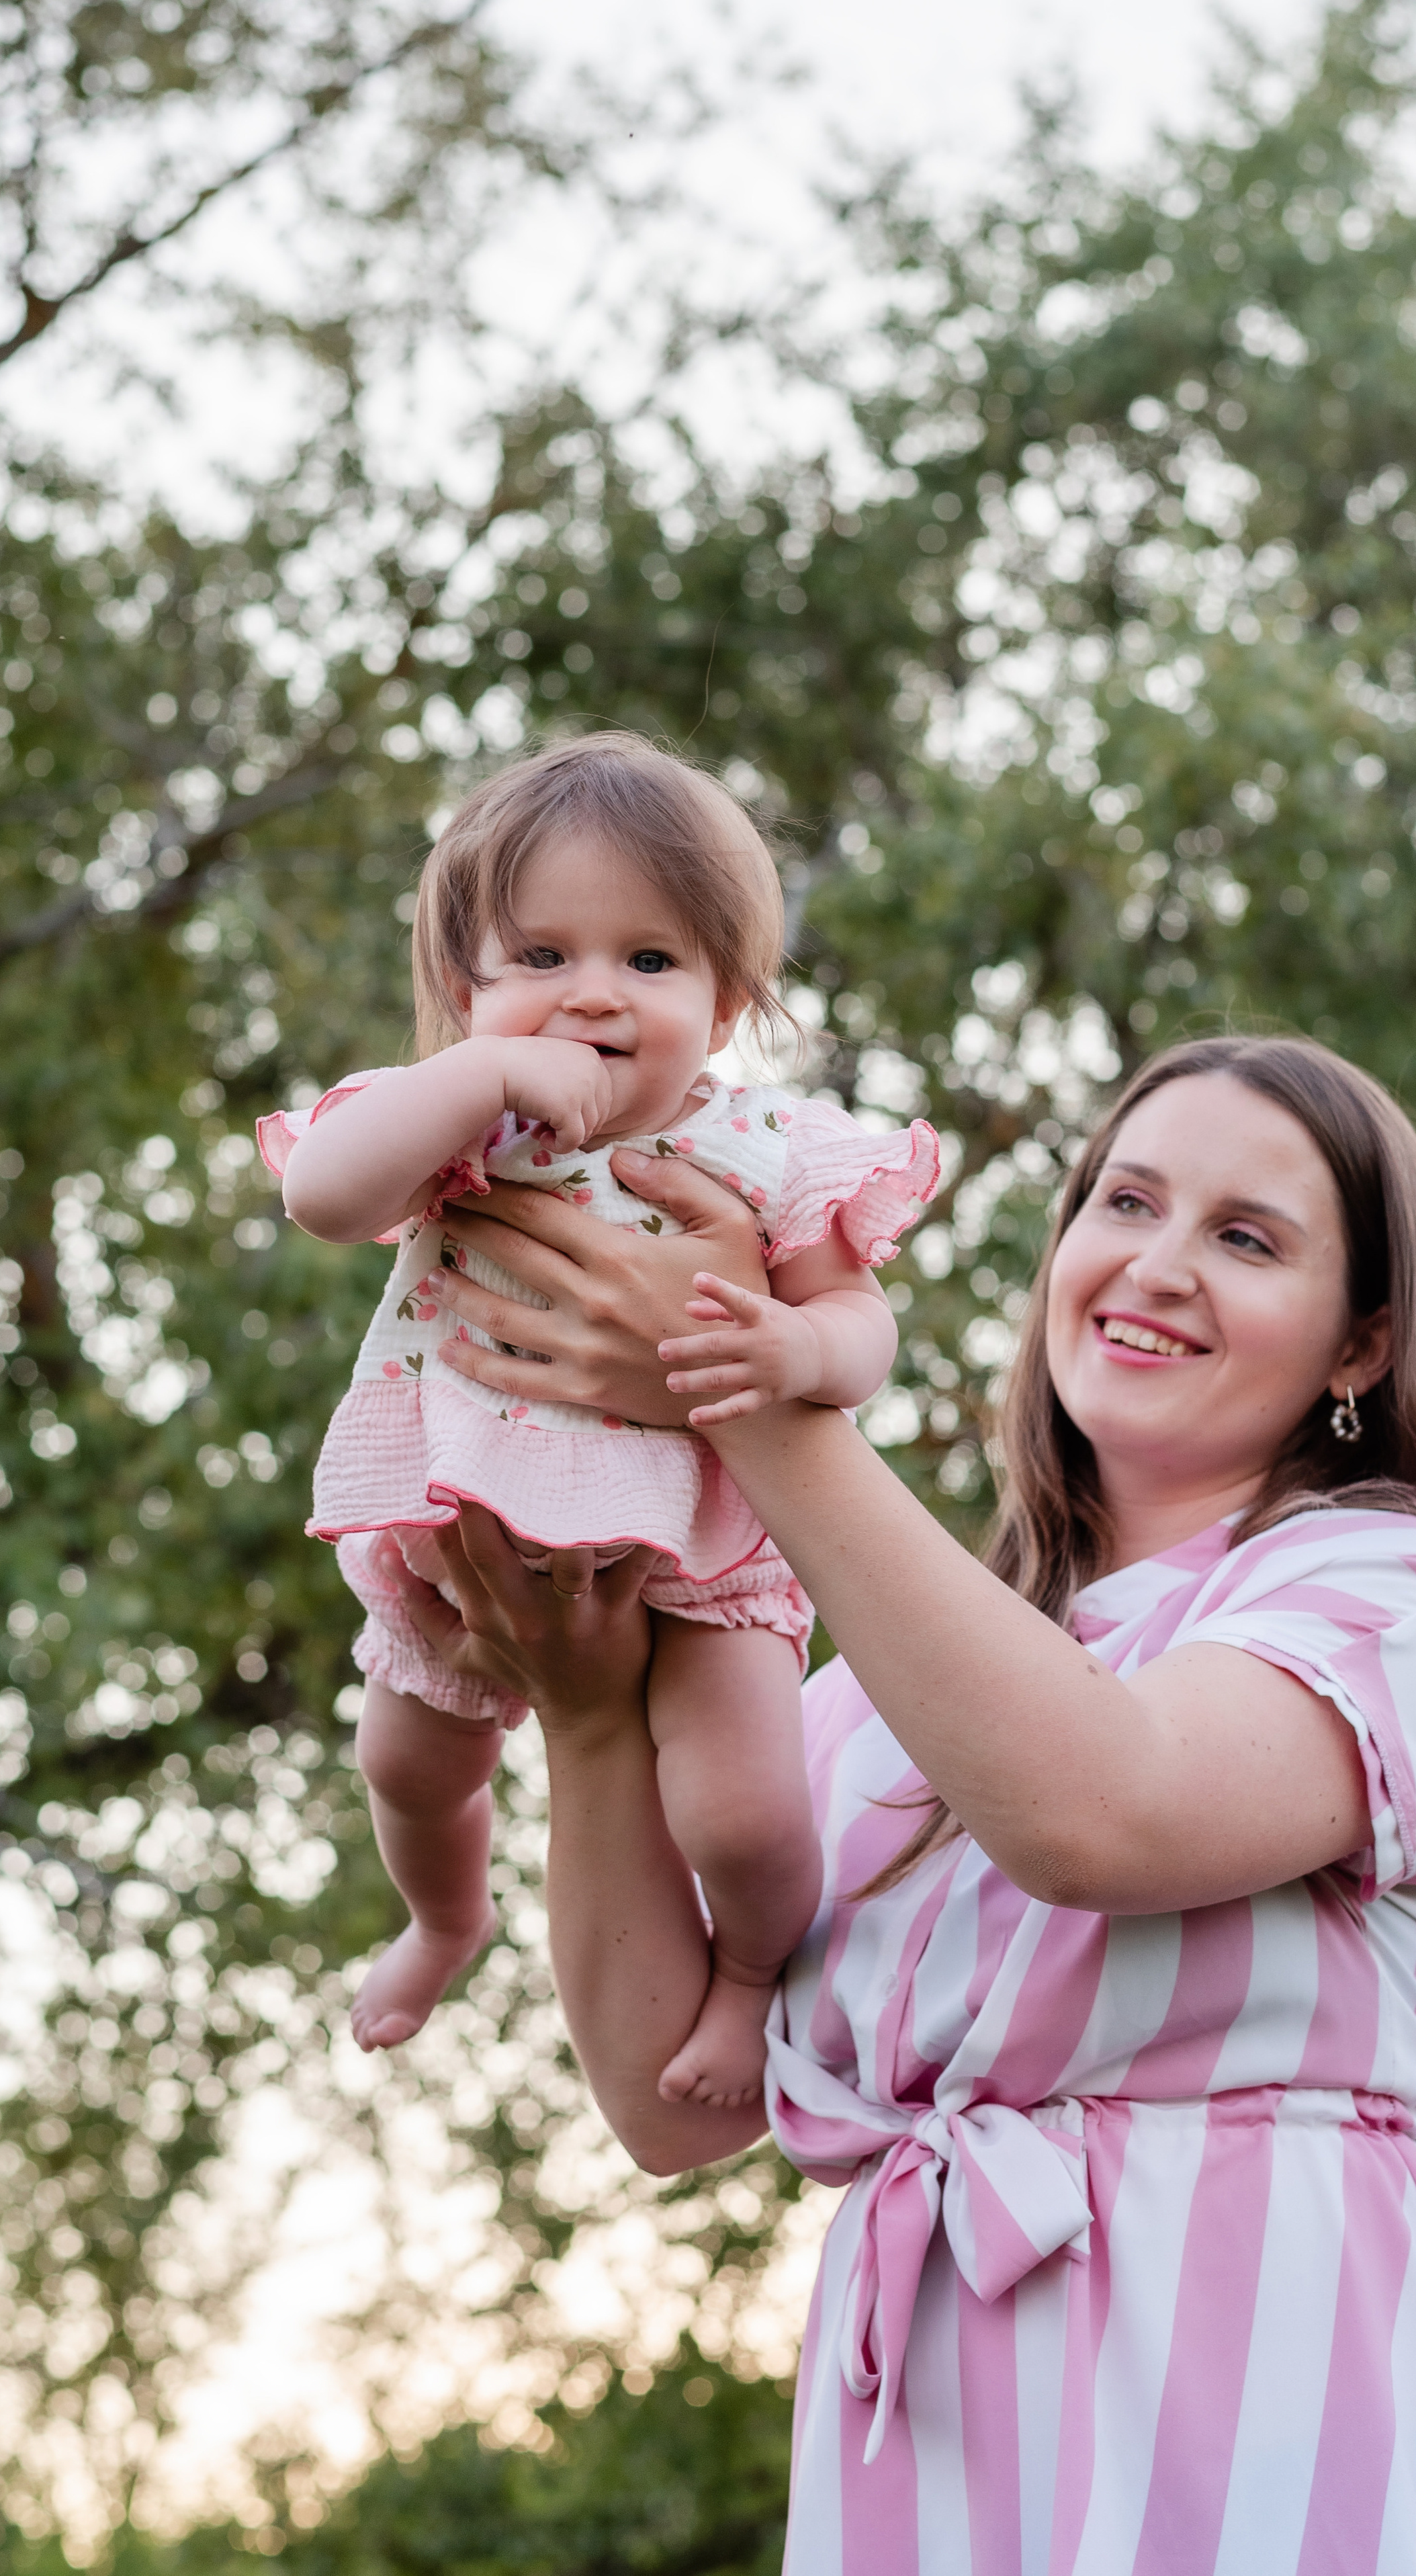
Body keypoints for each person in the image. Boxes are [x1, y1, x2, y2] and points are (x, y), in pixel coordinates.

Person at [373, 1031, 1416, 2573]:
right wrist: (590, 1719)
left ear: (1358, 1346)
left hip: (1278, 2423)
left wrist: (736, 1388)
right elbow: (662, 2101)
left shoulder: (1386, 1593)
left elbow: (1098, 1813)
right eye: (1122, 1204)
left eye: (1242, 1236)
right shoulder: (870, 1701)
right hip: (942, 2460)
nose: (1155, 1266)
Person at [259, 732, 937, 2102]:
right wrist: (473, 1078)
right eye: (539, 958)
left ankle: (749, 1979)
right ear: (469, 987)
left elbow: (862, 1332)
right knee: (402, 1759)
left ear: (728, 997)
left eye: (647, 961)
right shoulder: (451, 1122)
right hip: (468, 1532)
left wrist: (794, 1341)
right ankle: (446, 1920)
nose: (589, 998)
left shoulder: (770, 1150)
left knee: (741, 1811)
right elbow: (323, 1198)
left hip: (699, 1551)